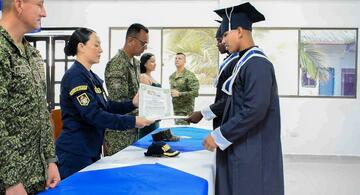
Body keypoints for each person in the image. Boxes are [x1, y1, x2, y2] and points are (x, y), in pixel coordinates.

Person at [202, 2, 284, 195]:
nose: (222, 40)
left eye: (225, 34)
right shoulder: (243, 62)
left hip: (252, 148)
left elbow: (255, 109)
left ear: (239, 31)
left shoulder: (257, 65)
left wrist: (220, 134)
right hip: (240, 143)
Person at [55, 28, 153, 179]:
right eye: (96, 45)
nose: (101, 50)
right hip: (75, 153)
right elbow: (94, 115)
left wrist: (132, 104)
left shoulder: (91, 76)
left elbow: (107, 105)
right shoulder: (75, 76)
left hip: (90, 150)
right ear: (81, 47)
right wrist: (132, 121)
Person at [0, 0, 61, 194]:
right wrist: (10, 181)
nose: (44, 13)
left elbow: (42, 112)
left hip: (37, 175)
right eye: (39, 4)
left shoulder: (33, 54)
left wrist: (50, 160)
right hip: (9, 182)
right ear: (18, 4)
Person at [104, 23, 149, 156]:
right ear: (130, 41)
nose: (144, 48)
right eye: (143, 44)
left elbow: (135, 94)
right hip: (119, 133)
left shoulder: (135, 63)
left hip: (133, 128)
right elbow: (119, 102)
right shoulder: (117, 64)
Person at [186, 23, 239, 129]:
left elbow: (229, 99)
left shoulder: (236, 62)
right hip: (223, 117)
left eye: (220, 40)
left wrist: (202, 113)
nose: (219, 43)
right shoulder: (229, 60)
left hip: (230, 119)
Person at [169, 53, 199, 125]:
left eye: (180, 58)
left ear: (185, 61)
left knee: (181, 131)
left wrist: (179, 94)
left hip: (185, 111)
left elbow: (195, 92)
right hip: (176, 110)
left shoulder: (189, 75)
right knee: (178, 131)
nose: (177, 60)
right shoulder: (172, 76)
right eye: (176, 58)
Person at [138, 53, 161, 138]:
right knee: (148, 138)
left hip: (155, 113)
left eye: (155, 61)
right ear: (145, 64)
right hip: (149, 114)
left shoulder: (151, 77)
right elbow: (147, 97)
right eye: (152, 61)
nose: (155, 64)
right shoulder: (143, 77)